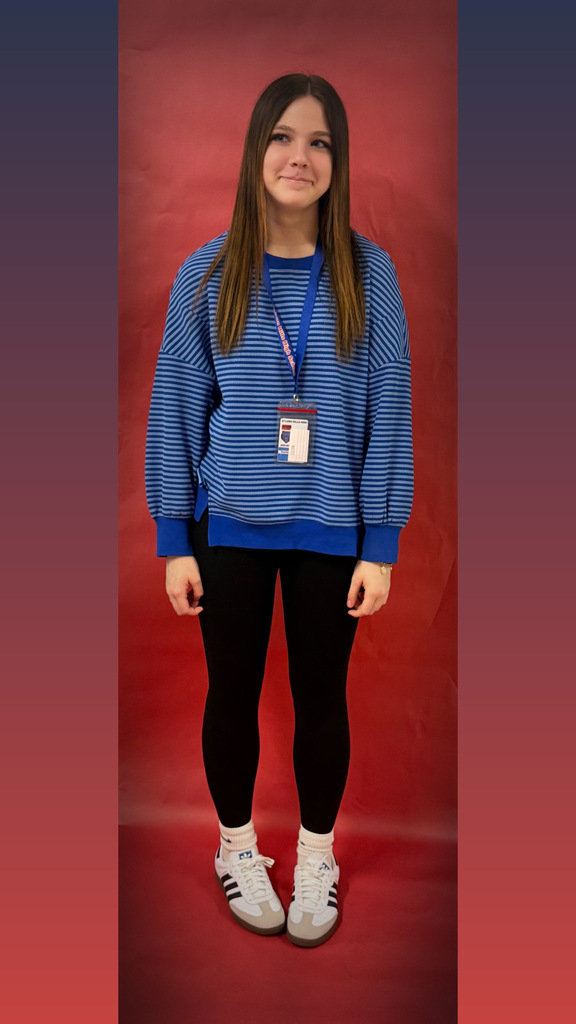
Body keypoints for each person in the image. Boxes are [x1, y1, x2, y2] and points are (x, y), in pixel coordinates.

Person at [145, 73, 413, 947]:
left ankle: (316, 856)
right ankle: (235, 847)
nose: (300, 157)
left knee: (319, 698)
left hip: (333, 534)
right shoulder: (208, 274)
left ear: (338, 162)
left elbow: (389, 410)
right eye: (283, 138)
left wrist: (382, 544)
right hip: (228, 535)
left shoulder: (371, 276)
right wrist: (172, 539)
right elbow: (177, 406)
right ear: (255, 151)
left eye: (321, 141)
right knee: (230, 694)